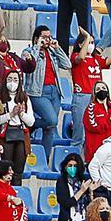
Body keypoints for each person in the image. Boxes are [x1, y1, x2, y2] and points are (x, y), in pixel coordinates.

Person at [22, 26, 71, 155]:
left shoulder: (52, 52)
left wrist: (57, 48)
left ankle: (46, 156)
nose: (47, 39)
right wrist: (37, 47)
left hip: (55, 91)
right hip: (38, 92)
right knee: (51, 120)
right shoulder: (28, 51)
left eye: (49, 36)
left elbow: (67, 64)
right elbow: (29, 63)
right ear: (37, 38)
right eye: (44, 37)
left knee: (50, 127)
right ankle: (30, 123)